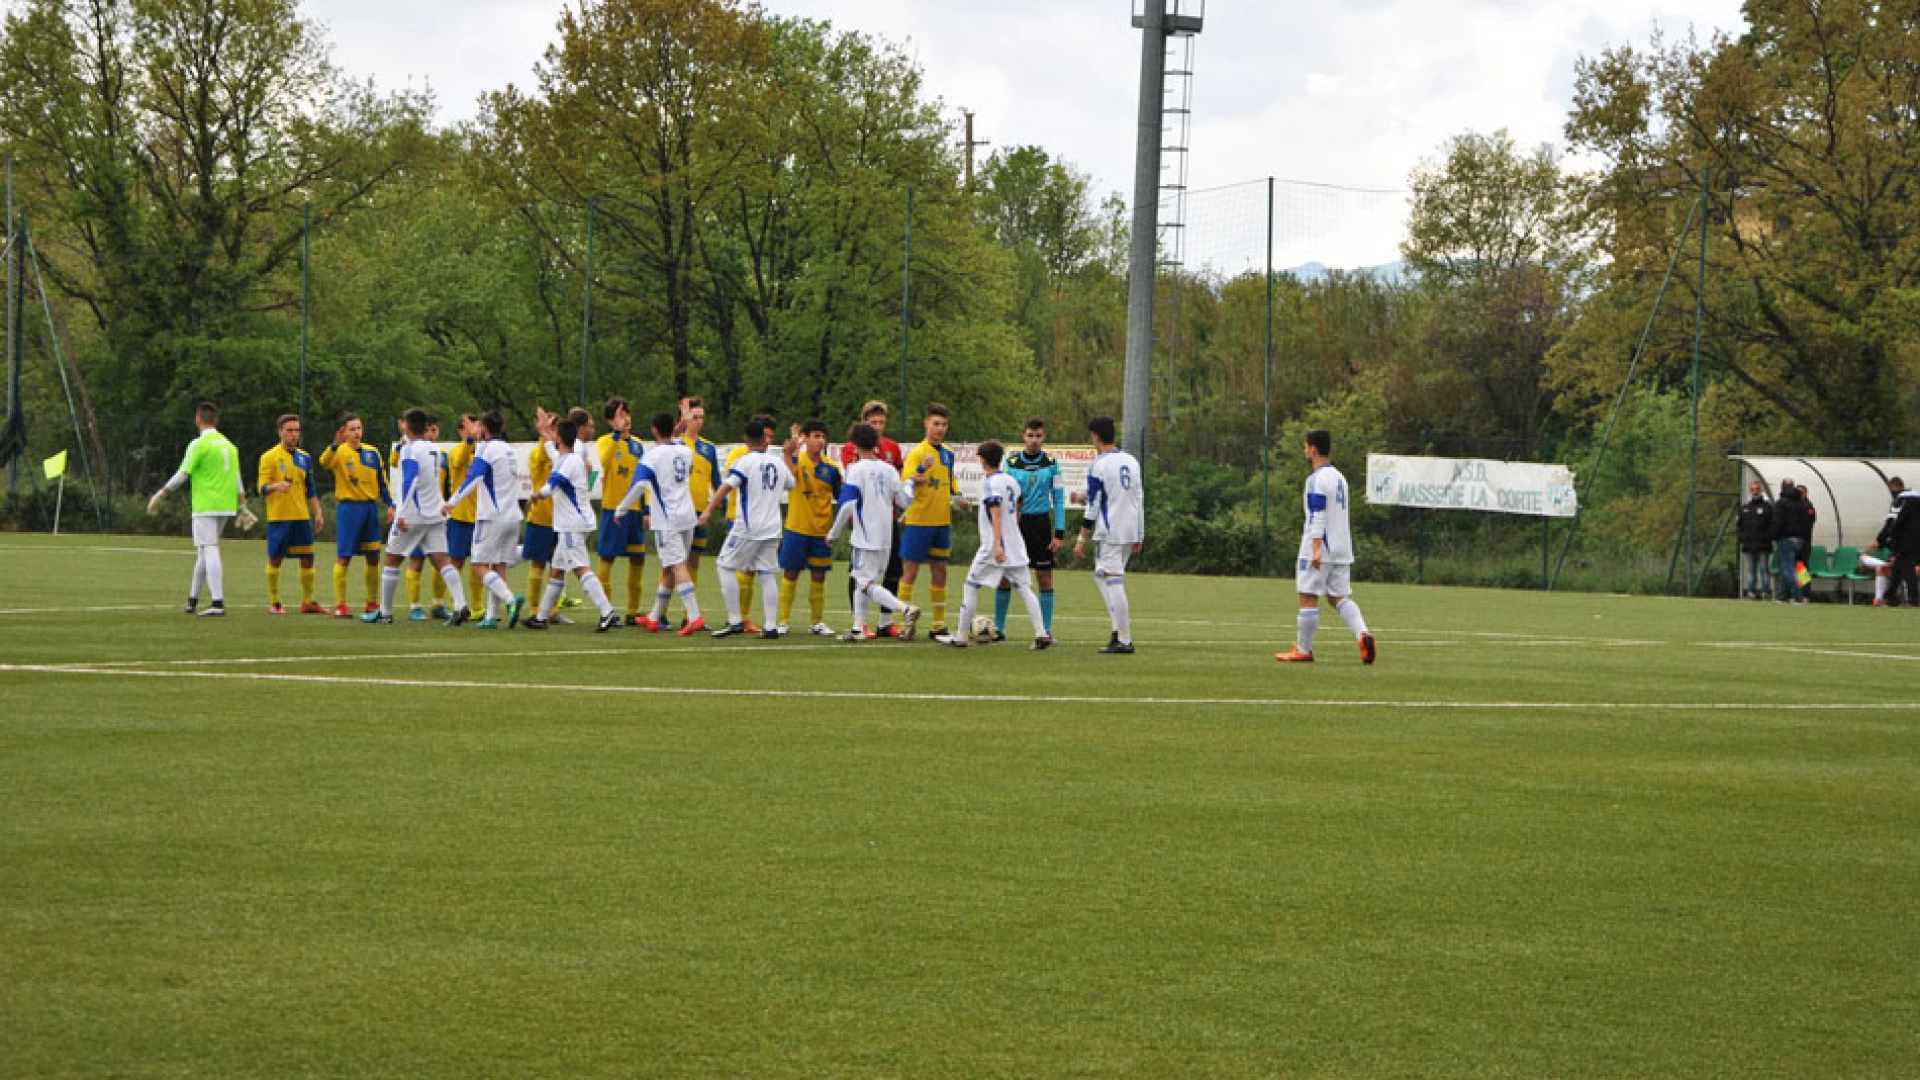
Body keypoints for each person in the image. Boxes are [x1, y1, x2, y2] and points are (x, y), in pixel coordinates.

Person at [363, 408, 471, 626]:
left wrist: (401, 512)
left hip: (413, 514)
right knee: (442, 560)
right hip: (435, 513)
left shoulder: (410, 450)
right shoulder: (435, 450)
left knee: (392, 558)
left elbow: (410, 480)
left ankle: (385, 612)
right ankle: (460, 605)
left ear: (406, 426)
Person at [1276, 430, 1375, 664]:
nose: (1305, 450)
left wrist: (1316, 548)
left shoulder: (1316, 479)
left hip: (1321, 545)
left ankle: (1303, 650)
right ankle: (1363, 634)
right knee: (1338, 597)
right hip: (1342, 548)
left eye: (1306, 446)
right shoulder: (1341, 478)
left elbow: (1317, 514)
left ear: (1313, 449)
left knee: (1308, 596)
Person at [945, 440, 1051, 650]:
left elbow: (995, 512)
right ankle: (1041, 633)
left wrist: (997, 544)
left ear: (982, 460)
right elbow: (1019, 502)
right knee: (1024, 588)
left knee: (971, 585)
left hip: (994, 546)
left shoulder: (990, 483)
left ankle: (961, 636)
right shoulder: (1010, 481)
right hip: (1016, 544)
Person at [147, 400, 247, 617]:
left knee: (209, 548)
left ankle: (218, 603)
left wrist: (159, 495)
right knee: (204, 549)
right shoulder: (229, 446)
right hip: (226, 505)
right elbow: (238, 477)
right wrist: (243, 506)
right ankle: (192, 600)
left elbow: (182, 474)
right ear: (216, 420)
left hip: (206, 505)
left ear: (198, 419)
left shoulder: (199, 444)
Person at [698, 417, 794, 637]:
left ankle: (735, 620)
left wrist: (708, 511)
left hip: (749, 526)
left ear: (746, 439)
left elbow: (727, 487)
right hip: (773, 527)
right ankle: (770, 626)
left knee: (724, 565)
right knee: (767, 574)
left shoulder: (745, 461)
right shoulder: (777, 462)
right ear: (765, 440)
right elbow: (792, 483)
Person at [614, 411, 707, 636]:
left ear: (654, 430)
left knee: (677, 566)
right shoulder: (685, 451)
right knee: (670, 567)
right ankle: (655, 617)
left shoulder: (651, 456)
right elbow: (675, 446)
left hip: (668, 520)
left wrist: (621, 509)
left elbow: (638, 486)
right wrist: (676, 435)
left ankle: (694, 617)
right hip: (687, 516)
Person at [523, 418, 620, 632]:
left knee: (580, 568)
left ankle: (607, 612)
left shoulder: (569, 461)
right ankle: (541, 617)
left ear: (560, 437)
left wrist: (534, 496)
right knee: (557, 570)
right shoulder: (566, 458)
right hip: (573, 523)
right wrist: (544, 432)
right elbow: (552, 452)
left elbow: (551, 486)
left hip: (572, 525)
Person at [827, 421, 919, 642]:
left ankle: (905, 609)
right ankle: (858, 628)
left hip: (865, 537)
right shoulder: (889, 470)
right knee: (863, 579)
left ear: (855, 444)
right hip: (886, 537)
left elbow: (847, 505)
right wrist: (910, 484)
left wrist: (834, 532)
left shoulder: (855, 470)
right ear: (876, 443)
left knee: (863, 582)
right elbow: (905, 502)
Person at [1071, 416, 1143, 654]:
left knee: (1113, 579)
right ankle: (1117, 631)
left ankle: (1124, 639)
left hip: (1110, 530)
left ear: (1096, 436)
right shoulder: (1131, 461)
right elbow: (1137, 498)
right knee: (1102, 576)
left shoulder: (1098, 465)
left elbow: (1095, 505)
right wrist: (1140, 534)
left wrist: (1081, 538)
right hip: (1130, 528)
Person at [448, 410, 525, 629]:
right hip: (513, 516)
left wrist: (452, 501)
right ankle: (491, 616)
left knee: (479, 566)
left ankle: (510, 600)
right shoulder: (509, 450)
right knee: (498, 565)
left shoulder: (486, 448)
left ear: (485, 429)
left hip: (492, 516)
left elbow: (475, 477)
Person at [994, 416, 1066, 639]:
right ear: (1023, 436)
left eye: (1038, 436)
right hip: (1017, 526)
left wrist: (1059, 533)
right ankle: (999, 629)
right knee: (1005, 576)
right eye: (1030, 436)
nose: (1034, 440)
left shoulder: (1052, 464)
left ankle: (1045, 630)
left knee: (1044, 577)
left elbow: (1060, 499)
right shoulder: (1012, 464)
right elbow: (1005, 499)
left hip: (1041, 524)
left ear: (1044, 437)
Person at [841, 400, 907, 636]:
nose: (878, 426)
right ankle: (860, 622)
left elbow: (897, 481)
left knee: (892, 570)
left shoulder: (892, 448)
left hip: (887, 519)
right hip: (863, 521)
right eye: (873, 422)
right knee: (858, 573)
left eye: (881, 422)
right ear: (864, 423)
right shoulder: (852, 449)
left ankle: (885, 622)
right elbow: (852, 483)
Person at [899, 403, 963, 641]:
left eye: (944, 424)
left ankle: (938, 624)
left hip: (941, 520)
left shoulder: (947, 453)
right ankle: (904, 620)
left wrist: (958, 496)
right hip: (918, 520)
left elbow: (951, 479)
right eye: (936, 424)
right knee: (911, 570)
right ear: (926, 424)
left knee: (941, 570)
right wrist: (919, 470)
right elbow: (906, 479)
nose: (940, 428)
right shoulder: (918, 452)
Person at [774, 420, 842, 637]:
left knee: (819, 576)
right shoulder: (797, 460)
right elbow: (790, 476)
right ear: (806, 438)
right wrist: (788, 453)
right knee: (791, 573)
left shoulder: (831, 468)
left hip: (821, 531)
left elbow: (841, 497)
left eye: (823, 436)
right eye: (815, 436)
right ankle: (783, 621)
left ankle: (817, 622)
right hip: (797, 528)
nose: (820, 441)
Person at [319, 413, 390, 616]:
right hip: (349, 509)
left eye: (359, 428)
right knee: (344, 557)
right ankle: (340, 605)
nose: (357, 433)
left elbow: (382, 481)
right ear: (343, 432)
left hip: (370, 508)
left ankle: (372, 602)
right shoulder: (339, 452)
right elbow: (324, 462)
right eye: (352, 429)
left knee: (374, 556)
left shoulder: (372, 452)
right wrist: (334, 444)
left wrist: (390, 504)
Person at [257, 413, 326, 615]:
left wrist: (318, 513)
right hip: (279, 517)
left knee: (308, 558)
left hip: (302, 516)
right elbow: (260, 488)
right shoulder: (269, 457)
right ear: (280, 432)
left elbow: (310, 489)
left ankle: (308, 602)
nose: (294, 435)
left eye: (297, 431)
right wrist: (276, 486)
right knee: (276, 558)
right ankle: (275, 602)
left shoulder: (304, 458)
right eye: (290, 431)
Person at [595, 397, 650, 623]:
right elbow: (604, 461)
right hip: (612, 508)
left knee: (638, 559)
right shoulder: (605, 441)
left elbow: (643, 478)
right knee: (607, 558)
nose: (625, 419)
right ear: (610, 420)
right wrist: (616, 435)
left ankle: (633, 611)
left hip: (635, 510)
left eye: (626, 414)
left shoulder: (638, 444)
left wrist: (646, 509)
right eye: (619, 415)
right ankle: (607, 610)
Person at [721, 411, 777, 632]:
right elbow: (733, 485)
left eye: (772, 436)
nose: (769, 441)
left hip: (760, 521)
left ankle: (743, 617)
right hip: (739, 517)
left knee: (755, 571)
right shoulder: (739, 455)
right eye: (766, 435)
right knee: (744, 569)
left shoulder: (769, 459)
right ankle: (739, 617)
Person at [394, 414, 451, 620]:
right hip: (416, 514)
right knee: (416, 561)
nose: (431, 434)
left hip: (436, 514)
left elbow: (444, 485)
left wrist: (447, 503)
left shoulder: (441, 455)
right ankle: (414, 606)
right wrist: (403, 441)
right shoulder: (409, 450)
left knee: (440, 560)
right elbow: (399, 470)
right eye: (428, 430)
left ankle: (438, 603)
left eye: (434, 430)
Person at [678, 396, 723, 600]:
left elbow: (716, 480)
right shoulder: (677, 443)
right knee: (675, 561)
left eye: (702, 418)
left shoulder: (709, 448)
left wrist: (720, 505)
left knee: (694, 559)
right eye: (695, 417)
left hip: (699, 510)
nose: (699, 422)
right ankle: (662, 612)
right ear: (686, 419)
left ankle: (690, 613)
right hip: (679, 510)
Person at [444, 413, 482, 614]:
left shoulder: (483, 452)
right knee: (456, 562)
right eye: (469, 428)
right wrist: (469, 440)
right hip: (460, 516)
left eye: (477, 427)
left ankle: (477, 608)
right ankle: (456, 605)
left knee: (479, 563)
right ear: (461, 431)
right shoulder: (456, 451)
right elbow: (458, 462)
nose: (475, 431)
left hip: (479, 516)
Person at [1879, 476, 1920, 608]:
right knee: (1897, 569)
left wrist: (1884, 539)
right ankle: (1890, 597)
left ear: (1893, 487)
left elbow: (1893, 522)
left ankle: (1913, 601)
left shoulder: (1901, 501)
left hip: (1904, 542)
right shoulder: (1917, 499)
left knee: (1908, 571)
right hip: (1917, 543)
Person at [1770, 479, 1812, 603]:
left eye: (1804, 492)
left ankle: (1803, 594)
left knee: (1799, 569)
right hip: (1801, 541)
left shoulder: (1808, 506)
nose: (1802, 494)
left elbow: (1809, 523)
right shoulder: (1802, 505)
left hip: (1801, 542)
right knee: (1792, 569)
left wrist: (1772, 535)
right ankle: (1784, 595)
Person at [1735, 479, 1773, 601]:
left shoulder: (1767, 507)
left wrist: (1767, 537)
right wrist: (1742, 538)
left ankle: (1766, 592)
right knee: (1751, 571)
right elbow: (1739, 526)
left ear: (1760, 490)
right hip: (1749, 545)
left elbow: (1773, 525)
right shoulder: (1745, 507)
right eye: (1753, 490)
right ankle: (1751, 592)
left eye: (1757, 489)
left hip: (1763, 545)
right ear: (1750, 491)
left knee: (1764, 570)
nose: (1755, 492)